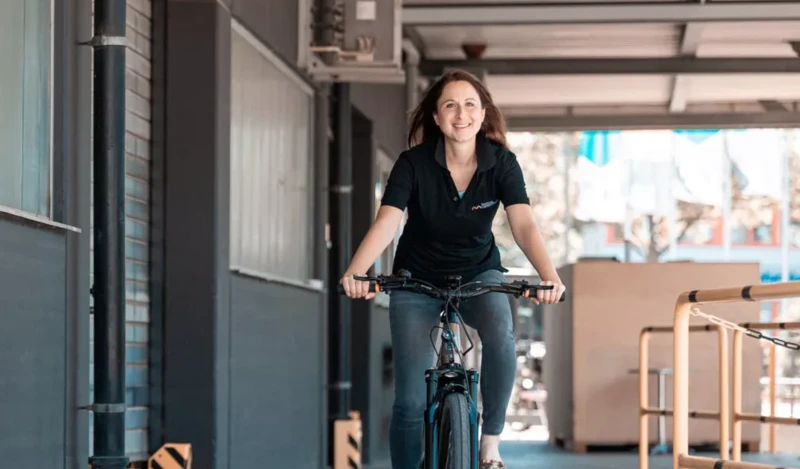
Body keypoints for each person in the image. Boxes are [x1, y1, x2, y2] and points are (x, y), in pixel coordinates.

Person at [339, 69, 566, 469]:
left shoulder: (502, 164)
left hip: (479, 274)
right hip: (416, 279)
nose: (460, 114)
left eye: (469, 105)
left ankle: (490, 442)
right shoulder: (413, 164)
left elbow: (524, 224)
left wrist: (550, 276)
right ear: (437, 118)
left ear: (482, 114)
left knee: (500, 333)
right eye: (450, 105)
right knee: (409, 401)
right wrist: (357, 272)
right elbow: (388, 221)